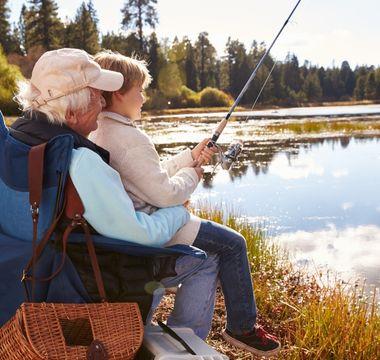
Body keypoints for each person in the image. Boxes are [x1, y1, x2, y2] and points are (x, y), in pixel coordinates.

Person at [90, 50, 281, 356]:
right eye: (139, 91)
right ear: (118, 94)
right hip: (151, 224)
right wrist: (193, 174)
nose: (143, 98)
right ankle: (241, 328)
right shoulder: (128, 138)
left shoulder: (104, 128)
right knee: (233, 243)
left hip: (138, 218)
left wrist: (191, 156)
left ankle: (185, 337)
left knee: (211, 256)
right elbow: (165, 193)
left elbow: (148, 175)